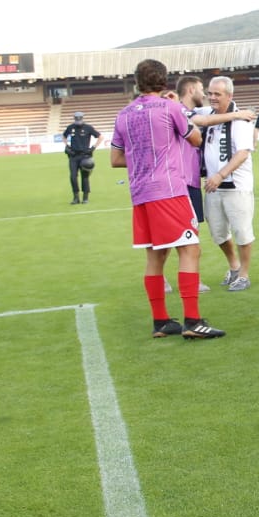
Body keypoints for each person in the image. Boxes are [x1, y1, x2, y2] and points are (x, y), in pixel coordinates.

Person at [110, 59, 224, 339]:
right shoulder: (170, 107)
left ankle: (160, 321)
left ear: (137, 82)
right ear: (164, 81)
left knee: (155, 256)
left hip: (140, 193)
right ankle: (193, 321)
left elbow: (115, 159)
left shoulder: (123, 114)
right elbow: (195, 139)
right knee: (189, 249)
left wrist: (143, 159)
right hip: (169, 189)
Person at [199, 76, 256, 292]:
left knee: (242, 231)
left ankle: (244, 274)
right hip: (213, 186)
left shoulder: (241, 121)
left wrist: (220, 174)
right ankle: (234, 266)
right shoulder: (210, 114)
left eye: (217, 94)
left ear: (229, 96)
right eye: (210, 93)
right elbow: (195, 118)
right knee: (218, 233)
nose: (212, 98)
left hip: (236, 185)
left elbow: (242, 153)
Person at [62, 112, 101, 204]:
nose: (78, 121)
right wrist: (67, 145)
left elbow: (100, 137)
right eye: (76, 119)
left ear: (82, 118)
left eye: (79, 119)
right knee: (73, 177)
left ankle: (85, 197)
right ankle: (76, 197)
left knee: (85, 177)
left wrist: (93, 147)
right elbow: (64, 136)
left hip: (85, 156)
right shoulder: (70, 127)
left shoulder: (88, 128)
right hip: (73, 156)